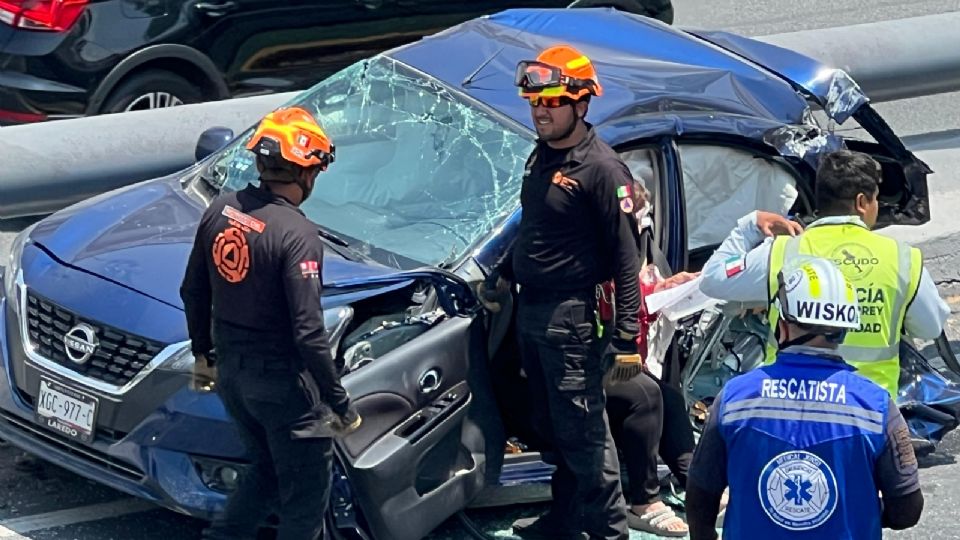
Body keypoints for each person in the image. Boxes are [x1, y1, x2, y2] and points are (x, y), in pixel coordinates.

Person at [479, 44, 641, 540]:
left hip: (572, 320)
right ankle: (566, 521)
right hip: (533, 312)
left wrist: (629, 337)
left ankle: (610, 532)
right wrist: (503, 272)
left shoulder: (602, 170)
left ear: (580, 103)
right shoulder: (542, 155)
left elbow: (626, 257)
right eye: (534, 103)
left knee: (585, 437)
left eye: (551, 103)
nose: (540, 111)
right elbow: (536, 228)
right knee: (548, 426)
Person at [180, 106, 361, 540]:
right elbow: (308, 332)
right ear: (307, 172)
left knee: (265, 472)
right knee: (303, 505)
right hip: (286, 390)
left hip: (234, 377)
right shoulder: (298, 235)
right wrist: (338, 403)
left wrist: (203, 357)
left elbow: (193, 291)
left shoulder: (221, 209)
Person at [686, 256, 924, 539]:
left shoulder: (734, 399)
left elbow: (701, 493)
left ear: (783, 325)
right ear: (843, 330)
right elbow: (907, 510)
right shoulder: (876, 406)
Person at [699, 149, 950, 397]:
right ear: (862, 203)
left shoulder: (782, 252)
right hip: (868, 412)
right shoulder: (902, 258)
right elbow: (929, 329)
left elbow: (712, 280)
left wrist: (751, 225)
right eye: (876, 199)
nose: (877, 207)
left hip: (790, 404)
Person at [604, 178, 697, 537]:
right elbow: (607, 302)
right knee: (644, 392)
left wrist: (666, 290)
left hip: (619, 351)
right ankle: (643, 500)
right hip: (583, 354)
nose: (640, 229)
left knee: (667, 394)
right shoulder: (589, 246)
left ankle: (692, 478)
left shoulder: (632, 247)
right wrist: (651, 297)